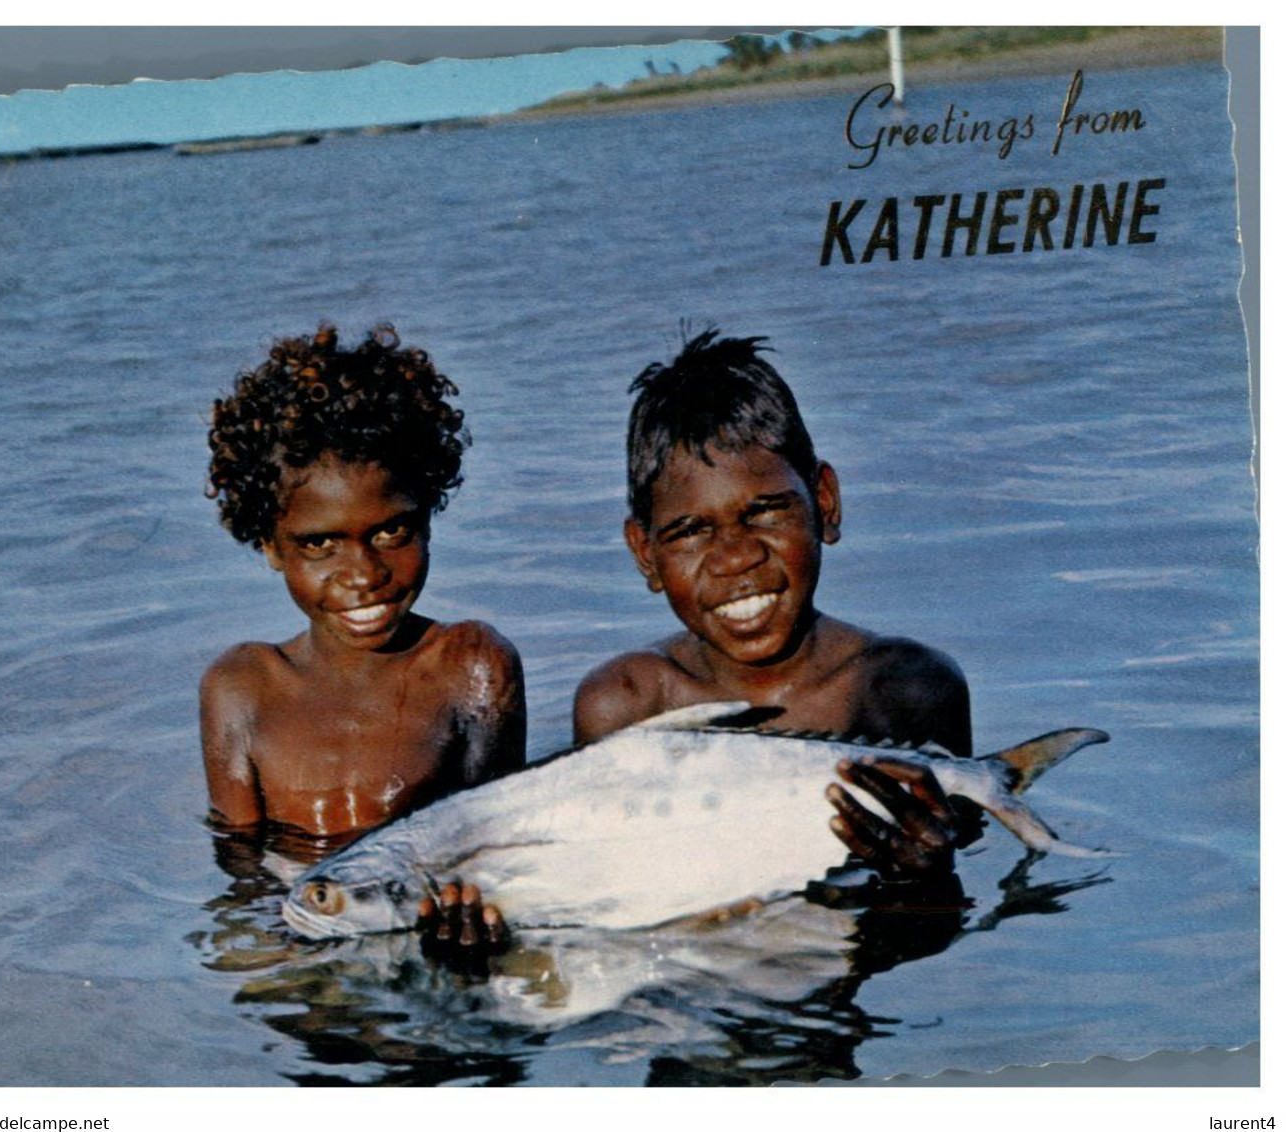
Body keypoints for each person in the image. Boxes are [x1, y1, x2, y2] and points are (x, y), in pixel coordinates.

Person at [574, 329, 980, 881]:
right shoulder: (626, 706)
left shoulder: (908, 689)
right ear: (645, 554)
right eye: (690, 531)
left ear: (825, 504)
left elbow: (955, 880)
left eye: (765, 512)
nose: (734, 559)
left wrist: (923, 876)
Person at [201, 323, 520, 947]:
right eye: (320, 544)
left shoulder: (472, 665)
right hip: (305, 934)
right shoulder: (240, 687)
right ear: (269, 545)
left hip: (426, 931)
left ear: (427, 514)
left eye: (391, 532)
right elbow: (243, 872)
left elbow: (495, 846)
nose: (365, 575)